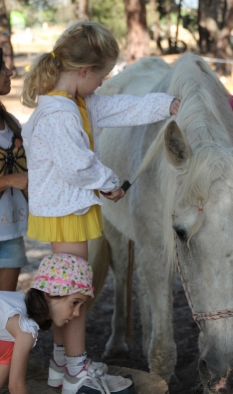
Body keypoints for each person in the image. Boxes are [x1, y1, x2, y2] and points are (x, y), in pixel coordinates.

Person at [21, 21, 179, 394]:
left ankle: (62, 364)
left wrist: (165, 104)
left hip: (68, 209)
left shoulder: (76, 101)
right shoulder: (60, 114)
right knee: (74, 289)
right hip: (67, 212)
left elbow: (120, 108)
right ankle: (77, 369)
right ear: (84, 71)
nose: (104, 83)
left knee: (66, 287)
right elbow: (76, 164)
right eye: (103, 75)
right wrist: (109, 183)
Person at [0, 253, 134, 394]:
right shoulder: (25, 330)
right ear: (50, 294)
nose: (76, 313)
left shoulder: (15, 308)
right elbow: (16, 387)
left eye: (81, 305)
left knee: (9, 348)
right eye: (74, 302)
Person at [0, 47, 28, 291]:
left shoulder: (13, 125)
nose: (9, 71)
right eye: (2, 68)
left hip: (11, 233)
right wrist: (9, 180)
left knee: (4, 311)